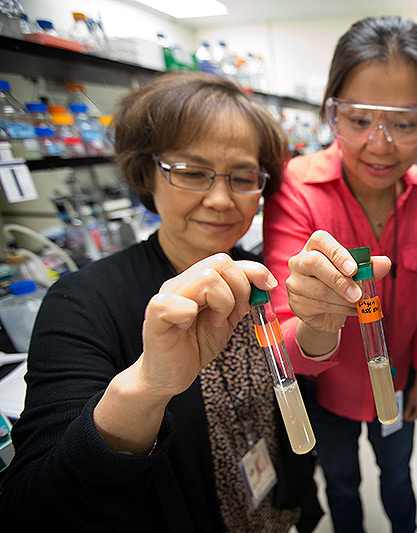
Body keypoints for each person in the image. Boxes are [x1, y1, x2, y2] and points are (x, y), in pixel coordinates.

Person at [0, 72, 322, 532]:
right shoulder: (83, 302)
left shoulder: (267, 275)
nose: (220, 199)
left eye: (243, 177)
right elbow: (34, 509)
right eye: (191, 172)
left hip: (278, 511)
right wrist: (148, 387)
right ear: (145, 172)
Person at [261, 16, 417, 533]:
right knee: (341, 484)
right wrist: (314, 312)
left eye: (405, 123)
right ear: (331, 112)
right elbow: (283, 332)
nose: (380, 145)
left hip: (402, 377)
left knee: (398, 478)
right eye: (358, 120)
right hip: (329, 392)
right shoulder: (297, 188)